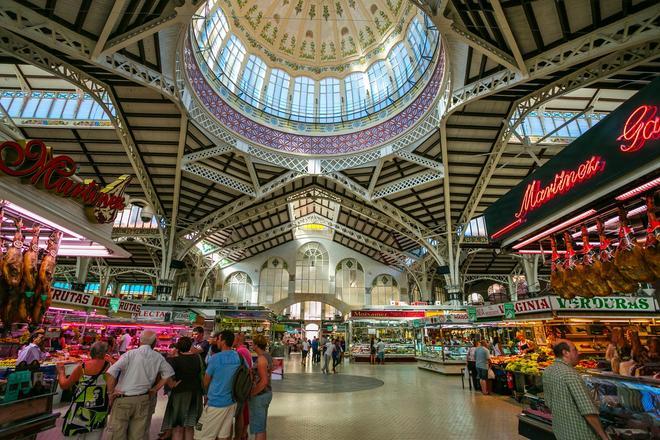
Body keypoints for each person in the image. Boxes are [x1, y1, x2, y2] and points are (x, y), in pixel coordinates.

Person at [105, 330, 176, 440]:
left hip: (124, 399)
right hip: (143, 399)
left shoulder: (130, 354)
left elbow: (111, 372)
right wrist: (155, 389)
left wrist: (110, 393)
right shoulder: (158, 357)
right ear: (154, 342)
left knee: (117, 435)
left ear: (139, 341)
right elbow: (168, 374)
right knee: (138, 435)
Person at [542, 340, 609, 440]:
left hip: (561, 431)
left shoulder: (548, 371)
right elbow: (587, 410)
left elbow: (548, 403)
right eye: (575, 350)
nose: (578, 353)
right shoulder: (570, 374)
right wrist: (603, 436)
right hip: (580, 433)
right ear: (565, 353)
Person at [57, 342, 112, 439]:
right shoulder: (110, 367)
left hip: (80, 409)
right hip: (100, 409)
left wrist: (61, 372)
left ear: (91, 352)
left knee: (74, 436)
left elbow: (64, 385)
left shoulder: (82, 367)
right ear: (104, 353)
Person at [195, 330, 241, 440]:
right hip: (231, 401)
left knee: (201, 435)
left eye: (218, 339)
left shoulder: (215, 358)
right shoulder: (237, 356)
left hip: (216, 402)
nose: (217, 341)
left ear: (223, 341)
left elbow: (206, 381)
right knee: (223, 435)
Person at [161, 336, 204, 440]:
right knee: (189, 426)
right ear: (190, 346)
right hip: (195, 393)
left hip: (179, 394)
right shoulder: (198, 358)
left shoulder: (174, 360)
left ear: (178, 347)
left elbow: (166, 375)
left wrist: (171, 384)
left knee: (178, 427)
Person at [249, 335, 273, 440]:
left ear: (257, 345)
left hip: (260, 395)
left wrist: (252, 393)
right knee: (261, 425)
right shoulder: (267, 356)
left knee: (258, 427)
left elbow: (263, 381)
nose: (251, 345)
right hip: (267, 393)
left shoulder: (261, 359)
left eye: (253, 343)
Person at [233, 332, 253, 440]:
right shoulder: (243, 350)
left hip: (242, 387)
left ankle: (241, 435)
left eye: (234, 338)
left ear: (239, 339)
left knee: (242, 412)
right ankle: (243, 434)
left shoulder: (241, 351)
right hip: (244, 386)